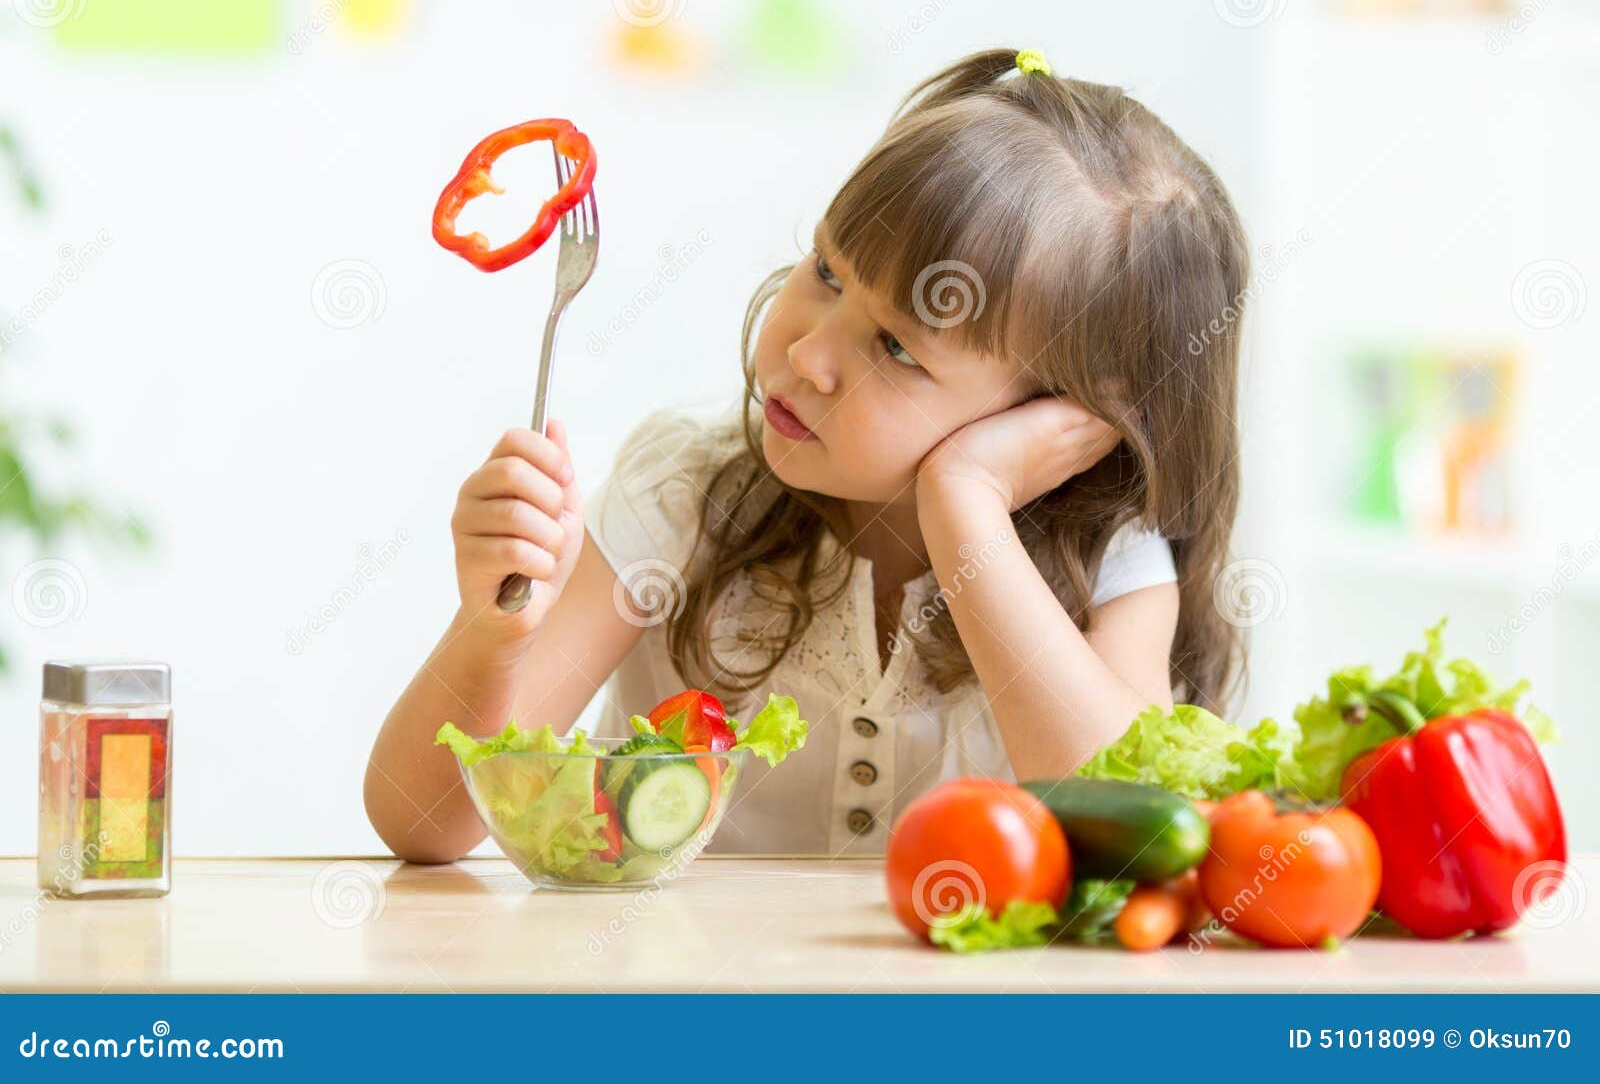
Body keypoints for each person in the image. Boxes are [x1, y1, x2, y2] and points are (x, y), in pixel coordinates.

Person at [366, 47, 1250, 861]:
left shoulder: (1111, 563)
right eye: (827, 271)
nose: (809, 354)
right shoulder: (681, 494)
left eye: (899, 348)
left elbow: (1135, 844)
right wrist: (492, 634)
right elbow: (427, 820)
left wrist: (965, 501)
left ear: (1070, 423)